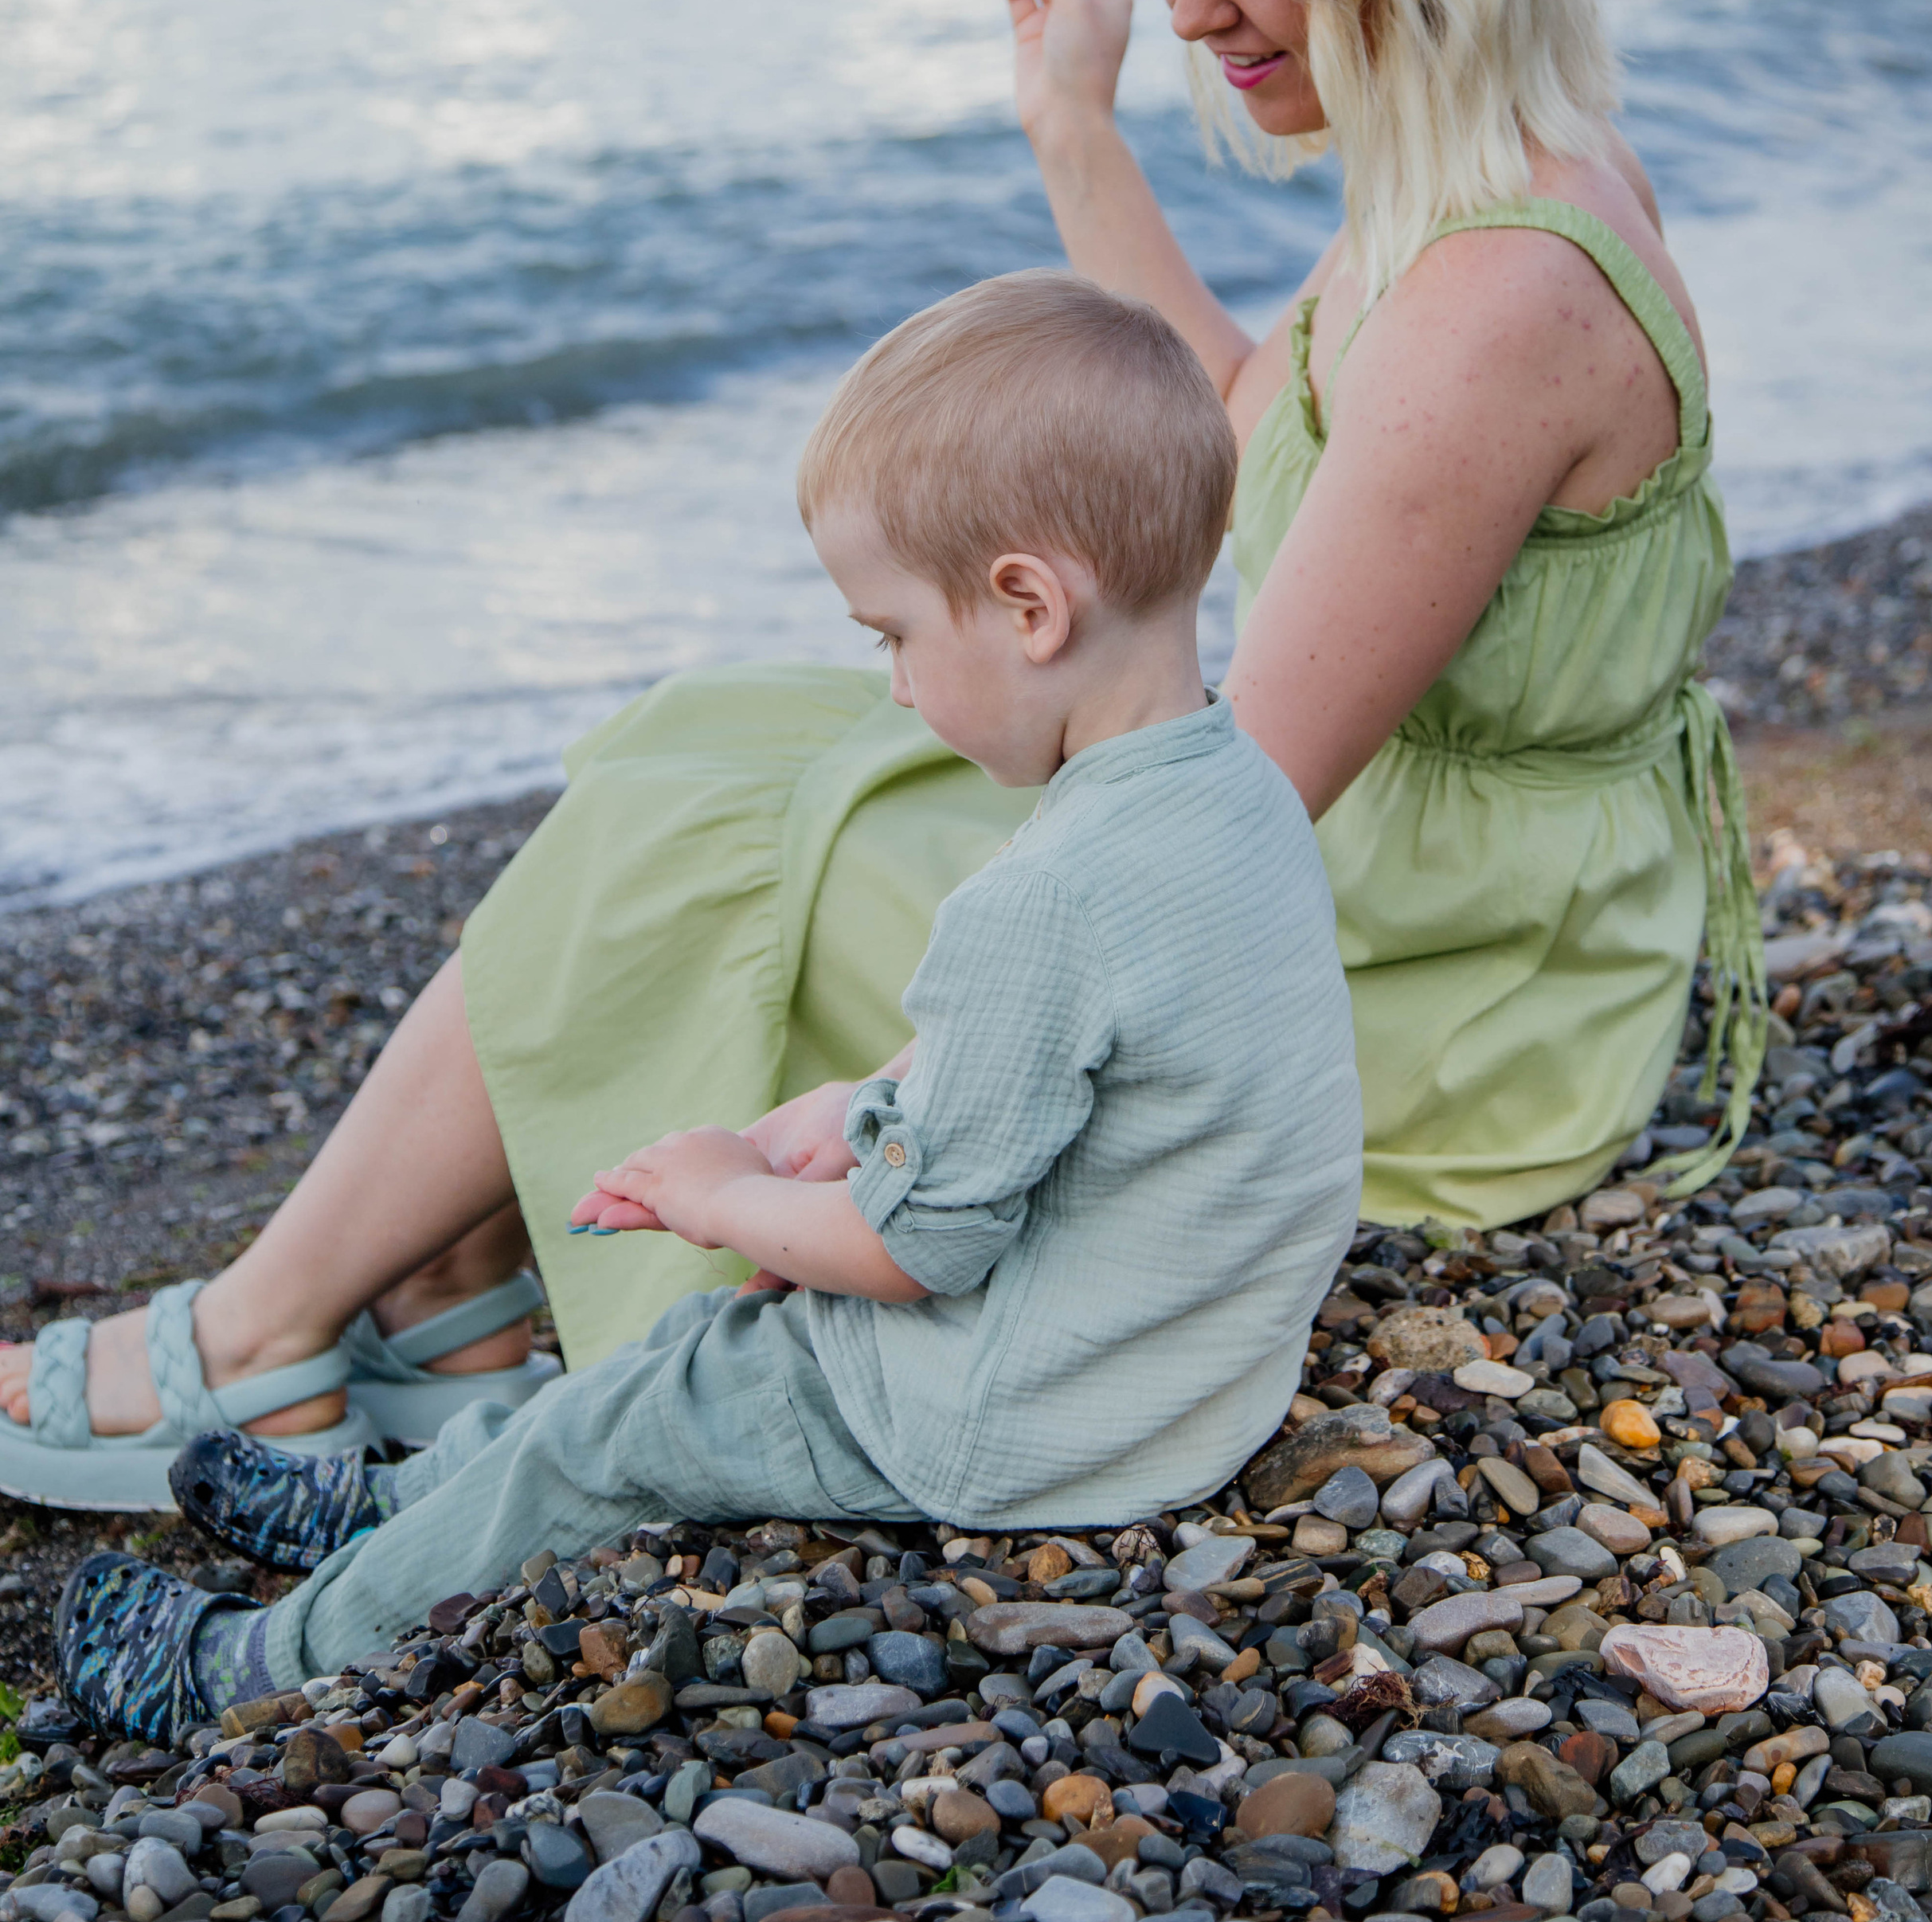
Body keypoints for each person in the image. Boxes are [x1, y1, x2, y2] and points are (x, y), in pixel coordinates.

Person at [0, 0, 1761, 1507]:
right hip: (1438, 900)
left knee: (700, 836)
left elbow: (1213, 823)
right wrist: (1066, 125)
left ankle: (270, 1338)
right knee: (730, 732)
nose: (1181, 4)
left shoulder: (1498, 287)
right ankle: (455, 1301)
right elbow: (1253, 443)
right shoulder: (1484, 167)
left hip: (1445, 995)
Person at [54, 274, 1367, 1740]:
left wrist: (723, 1196)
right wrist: (848, 1109)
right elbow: (1109, 1065)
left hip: (1029, 1418)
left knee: (638, 1410)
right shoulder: (1240, 791)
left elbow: (913, 1249)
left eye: (891, 637)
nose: (890, 689)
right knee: (685, 1369)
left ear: (1028, 606)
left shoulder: (1037, 897)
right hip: (1184, 1374)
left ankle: (257, 1668)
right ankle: (409, 1501)